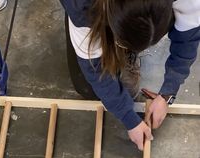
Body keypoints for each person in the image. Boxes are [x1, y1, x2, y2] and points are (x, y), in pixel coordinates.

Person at [60, 0, 200, 150]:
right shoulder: (81, 8)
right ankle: (120, 44)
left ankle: (130, 45)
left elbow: (188, 37)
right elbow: (95, 70)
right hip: (96, 11)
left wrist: (168, 93)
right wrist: (127, 117)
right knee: (87, 88)